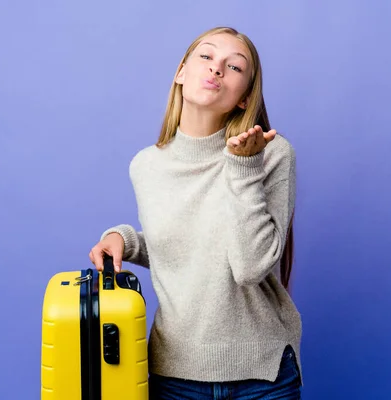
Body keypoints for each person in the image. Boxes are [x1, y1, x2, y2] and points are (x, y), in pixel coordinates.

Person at [88, 26, 302, 399]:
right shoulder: (146, 166)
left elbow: (250, 266)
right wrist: (123, 239)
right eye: (206, 56)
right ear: (181, 73)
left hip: (263, 375)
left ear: (244, 98)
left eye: (235, 67)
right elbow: (188, 251)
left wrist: (244, 168)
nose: (217, 68)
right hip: (174, 375)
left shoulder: (271, 153)